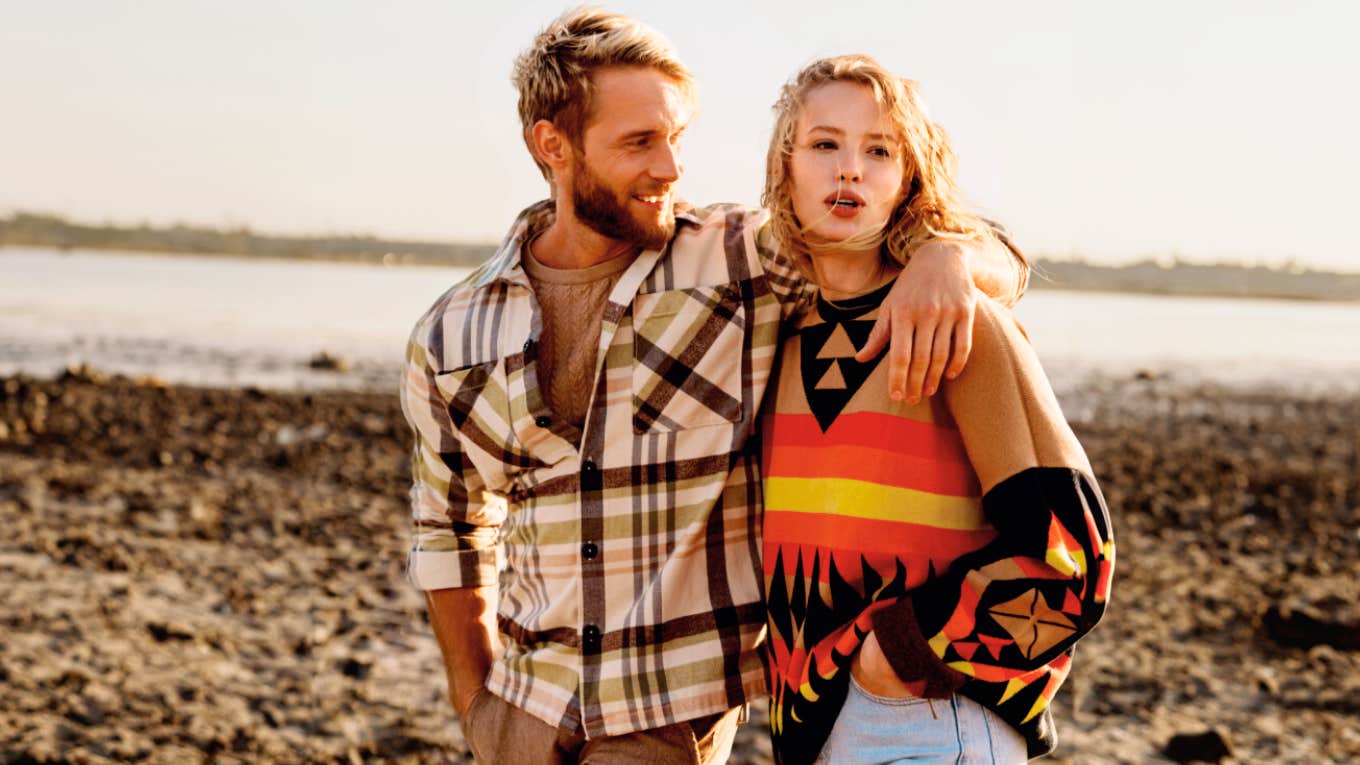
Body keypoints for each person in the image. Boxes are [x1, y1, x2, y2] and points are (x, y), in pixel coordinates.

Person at [399, 10, 1025, 764]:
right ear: (552, 145)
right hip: (523, 716)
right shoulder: (450, 332)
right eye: (639, 142)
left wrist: (948, 258)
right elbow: (452, 532)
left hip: (664, 720)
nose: (670, 167)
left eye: (677, 137)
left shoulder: (741, 264)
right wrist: (477, 706)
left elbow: (934, 245)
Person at [758, 56, 1115, 764]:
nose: (850, 170)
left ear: (908, 178)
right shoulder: (777, 340)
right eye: (825, 144)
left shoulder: (966, 327)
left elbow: (1074, 564)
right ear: (785, 169)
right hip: (816, 731)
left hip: (925, 719)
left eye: (879, 150)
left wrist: (895, 654)